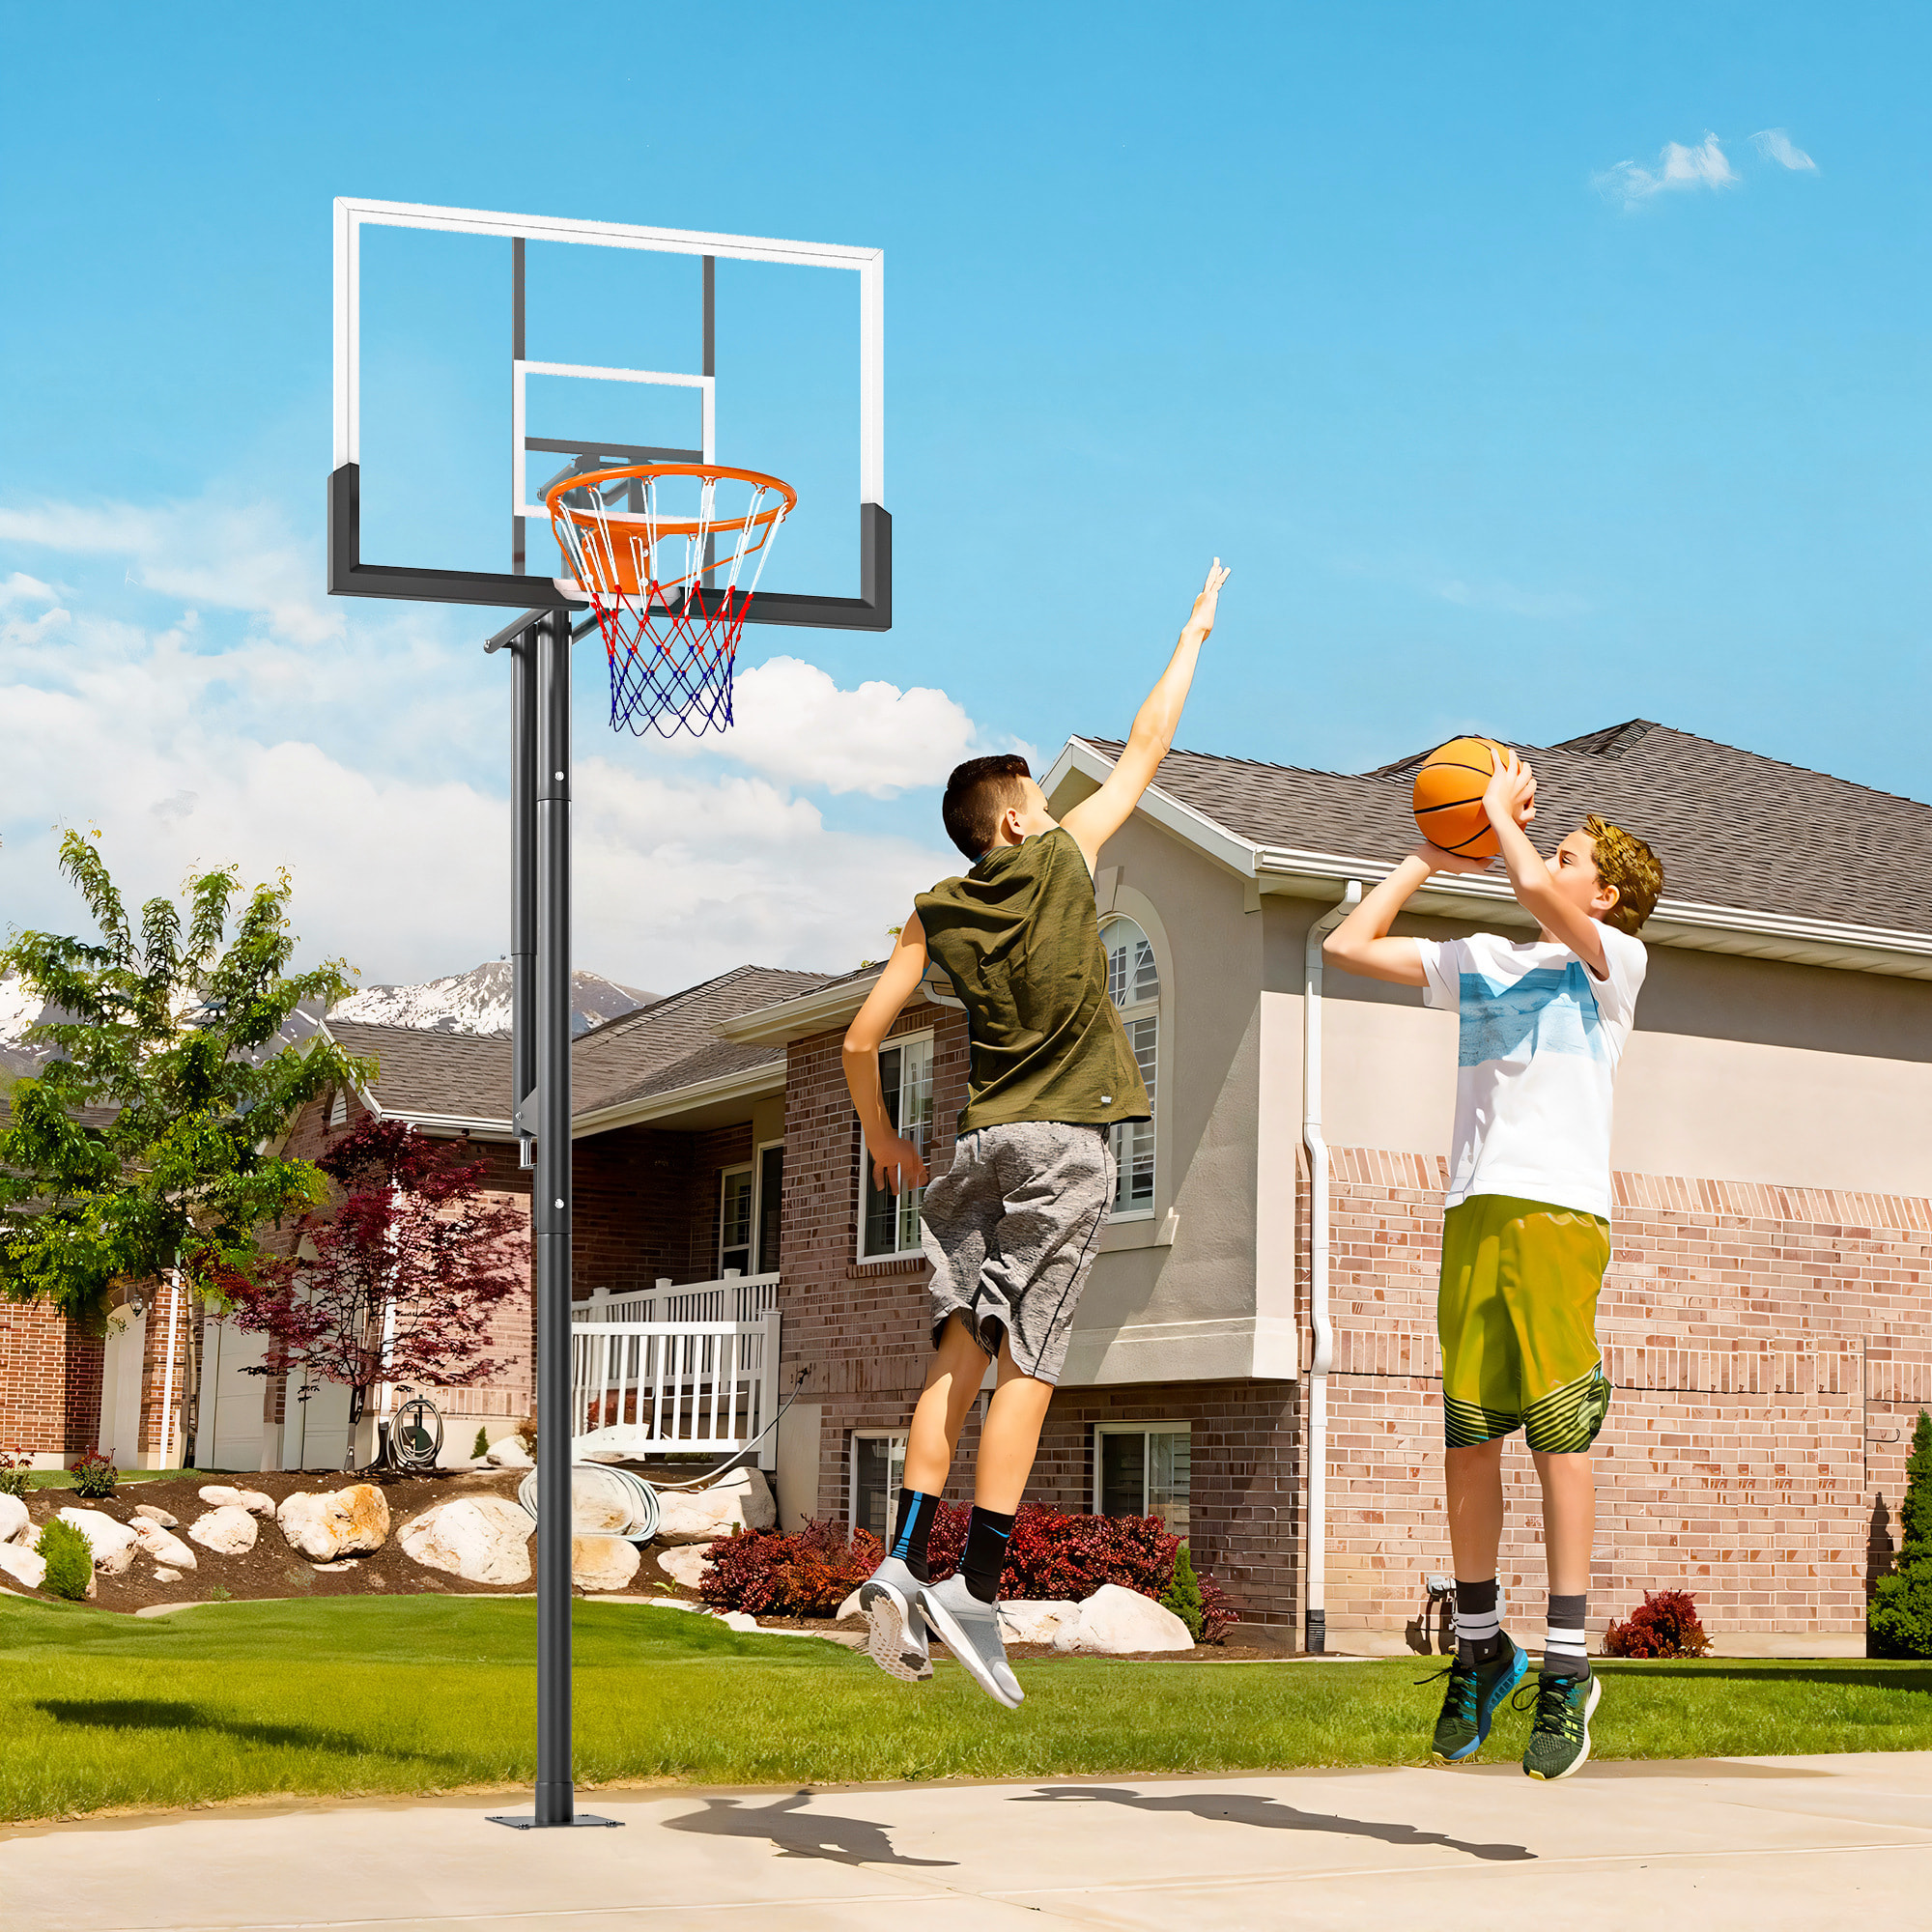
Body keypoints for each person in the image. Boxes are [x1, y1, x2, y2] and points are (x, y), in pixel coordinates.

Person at [842, 560, 1232, 1707]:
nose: (1056, 816)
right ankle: (973, 1582)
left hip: (973, 1155)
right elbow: (1146, 747)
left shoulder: (934, 907)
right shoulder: (1061, 859)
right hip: (1063, 1151)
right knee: (1030, 1366)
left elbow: (862, 1041)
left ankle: (900, 1559)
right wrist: (1192, 630)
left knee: (956, 1356)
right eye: (1042, 805)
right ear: (1018, 819)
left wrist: (884, 1142)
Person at [1322, 749, 1662, 1779]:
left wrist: (1495, 815)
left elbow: (1524, 879)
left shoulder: (1609, 962)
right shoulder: (1479, 957)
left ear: (1600, 893)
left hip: (1558, 1216)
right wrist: (1426, 854)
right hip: (1472, 1209)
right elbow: (1347, 942)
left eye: (1564, 852)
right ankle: (1483, 1646)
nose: (1540, 858)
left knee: (1557, 1435)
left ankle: (1566, 1664)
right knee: (1468, 1437)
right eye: (1543, 844)